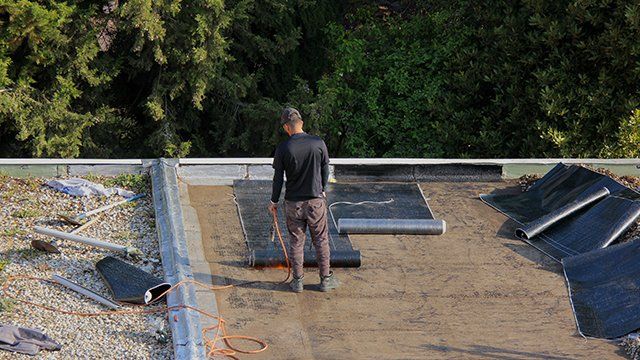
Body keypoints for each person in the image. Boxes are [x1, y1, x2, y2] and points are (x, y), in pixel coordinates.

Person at [268, 107, 339, 293]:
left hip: (293, 204)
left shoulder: (283, 148)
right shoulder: (318, 143)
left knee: (296, 241)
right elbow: (325, 169)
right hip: (316, 202)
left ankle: (297, 281)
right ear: (302, 123)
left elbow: (277, 179)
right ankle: (325, 280)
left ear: (286, 127)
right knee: (321, 240)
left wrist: (274, 201)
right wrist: (322, 189)